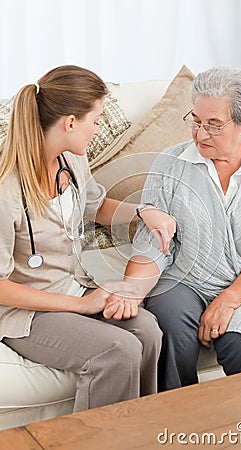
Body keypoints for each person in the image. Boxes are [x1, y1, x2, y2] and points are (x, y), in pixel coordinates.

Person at [103, 67, 241, 391]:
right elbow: (152, 243)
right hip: (185, 281)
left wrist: (229, 299)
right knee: (167, 325)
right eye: (195, 120)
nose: (200, 134)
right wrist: (133, 290)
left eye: (214, 125)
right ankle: (174, 423)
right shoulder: (170, 163)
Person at [0, 65, 176, 410]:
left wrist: (142, 211)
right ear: (69, 122)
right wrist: (82, 305)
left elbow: (94, 206)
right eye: (95, 121)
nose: (96, 130)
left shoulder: (70, 160)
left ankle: (139, 430)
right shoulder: (6, 190)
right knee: (117, 350)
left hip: (75, 285)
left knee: (150, 332)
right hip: (27, 311)